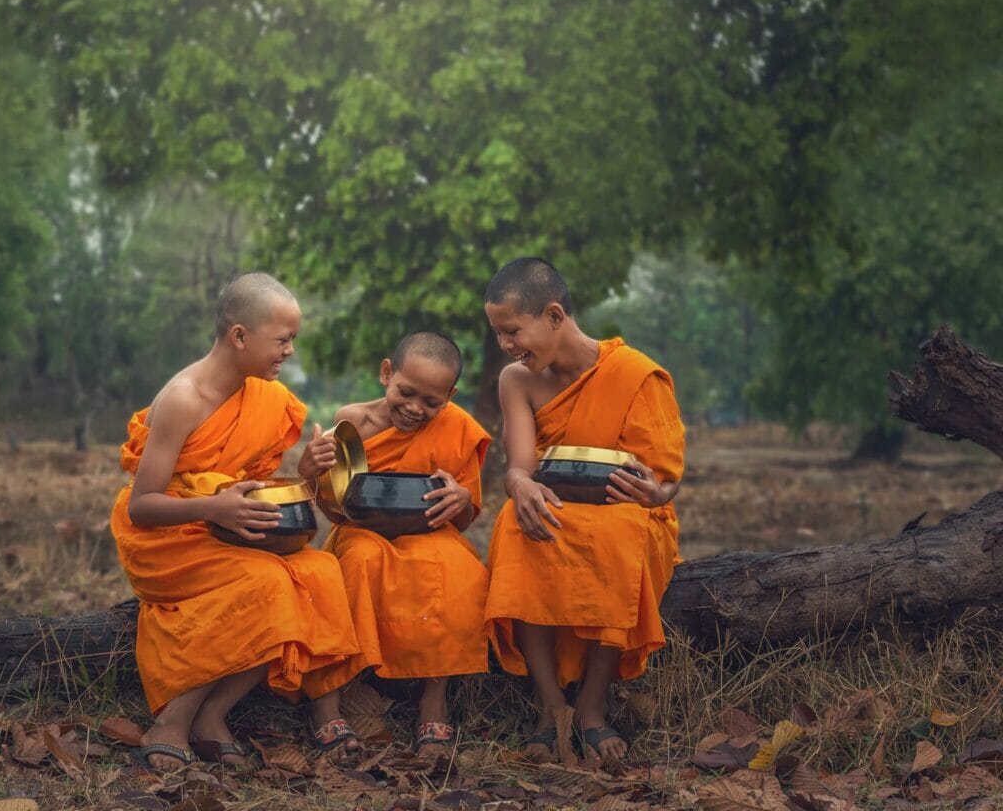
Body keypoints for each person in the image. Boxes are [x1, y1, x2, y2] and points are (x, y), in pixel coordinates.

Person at [110, 272, 361, 771]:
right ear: (240, 336)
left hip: (224, 527)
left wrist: (307, 475)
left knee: (319, 573)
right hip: (167, 537)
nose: (289, 351)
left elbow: (250, 486)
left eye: (293, 339)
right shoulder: (186, 397)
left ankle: (214, 716)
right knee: (268, 583)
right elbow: (143, 505)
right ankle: (172, 722)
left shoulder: (262, 398)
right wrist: (211, 508)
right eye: (283, 339)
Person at [482, 257, 685, 769]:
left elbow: (662, 477)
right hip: (554, 503)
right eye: (499, 334)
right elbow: (520, 466)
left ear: (554, 315)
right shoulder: (516, 379)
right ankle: (550, 706)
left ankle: (591, 705)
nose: (506, 346)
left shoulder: (633, 374)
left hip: (625, 509)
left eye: (512, 331)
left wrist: (657, 495)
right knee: (514, 523)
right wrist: (519, 485)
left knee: (621, 531)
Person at [303, 331, 492, 757]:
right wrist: (309, 469)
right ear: (387, 373)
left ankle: (433, 698)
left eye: (432, 402)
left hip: (429, 531)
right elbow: (336, 506)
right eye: (406, 392)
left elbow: (462, 515)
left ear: (451, 396)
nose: (415, 409)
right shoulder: (353, 422)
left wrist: (461, 497)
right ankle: (326, 701)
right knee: (357, 563)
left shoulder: (457, 426)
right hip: (363, 530)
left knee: (458, 568)